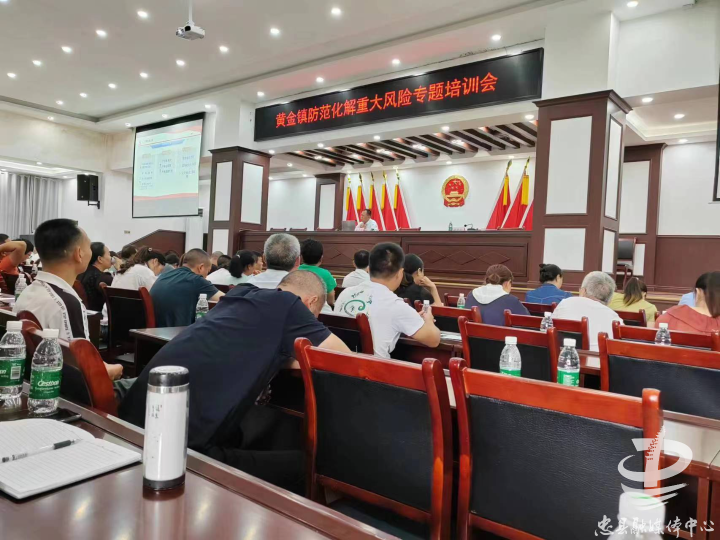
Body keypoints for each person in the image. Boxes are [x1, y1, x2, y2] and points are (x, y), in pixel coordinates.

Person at [119, 271, 350, 490]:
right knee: (309, 465)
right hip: (181, 456)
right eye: (314, 318)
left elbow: (258, 347)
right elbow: (341, 357)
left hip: (131, 427)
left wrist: (283, 357)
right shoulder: (291, 305)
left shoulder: (240, 293)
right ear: (311, 302)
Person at [13, 219, 123, 382]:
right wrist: (113, 369)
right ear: (79, 254)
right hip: (69, 392)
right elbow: (83, 372)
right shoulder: (65, 303)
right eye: (88, 247)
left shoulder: (29, 291)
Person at [334, 242, 440, 358]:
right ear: (400, 273)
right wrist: (428, 319)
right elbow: (434, 340)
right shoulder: (395, 305)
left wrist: (411, 319)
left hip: (338, 364)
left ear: (368, 269)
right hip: (373, 368)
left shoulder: (345, 294)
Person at [150, 248, 224, 327]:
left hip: (154, 330)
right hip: (177, 331)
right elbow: (226, 299)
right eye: (208, 271)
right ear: (201, 267)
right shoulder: (196, 280)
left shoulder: (164, 275)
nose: (206, 276)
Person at [552, 271, 623, 352]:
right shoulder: (616, 319)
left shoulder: (565, 303)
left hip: (561, 356)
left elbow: (548, 330)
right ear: (610, 300)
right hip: (599, 359)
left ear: (583, 291)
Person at [465, 264, 529, 326]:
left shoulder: (471, 295)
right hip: (499, 334)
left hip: (471, 333)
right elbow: (529, 324)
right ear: (507, 283)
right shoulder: (512, 301)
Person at [298, 239, 337, 306]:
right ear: (321, 258)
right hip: (319, 310)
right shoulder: (325, 274)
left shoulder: (294, 271)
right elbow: (330, 301)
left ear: (301, 257)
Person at [77, 242, 113, 311]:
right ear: (100, 259)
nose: (111, 258)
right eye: (109, 254)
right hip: (101, 315)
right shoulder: (104, 278)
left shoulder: (80, 274)